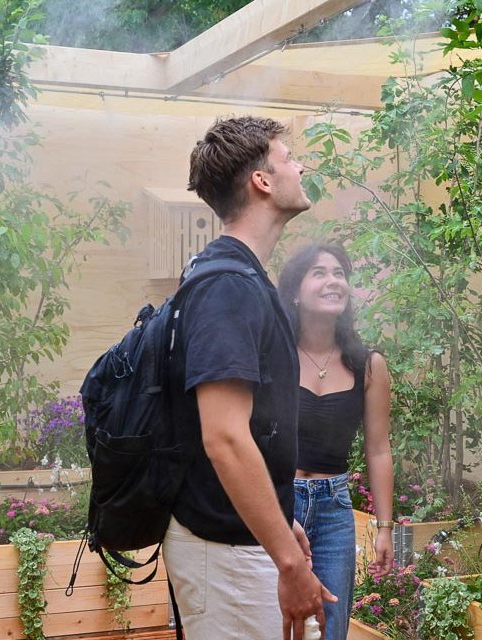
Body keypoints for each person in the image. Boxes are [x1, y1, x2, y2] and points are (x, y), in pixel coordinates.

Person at [165, 116, 334, 639]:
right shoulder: (228, 288)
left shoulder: (235, 277)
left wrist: (280, 517)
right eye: (287, 158)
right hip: (226, 552)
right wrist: (288, 561)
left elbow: (252, 429)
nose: (300, 165)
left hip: (241, 541)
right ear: (261, 181)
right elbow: (225, 437)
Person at [277, 243, 396, 640]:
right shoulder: (273, 357)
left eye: (339, 273)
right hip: (279, 504)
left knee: (329, 629)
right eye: (319, 272)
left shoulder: (368, 365)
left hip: (334, 512)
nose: (333, 281)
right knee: (274, 624)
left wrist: (384, 527)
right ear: (295, 291)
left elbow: (378, 450)